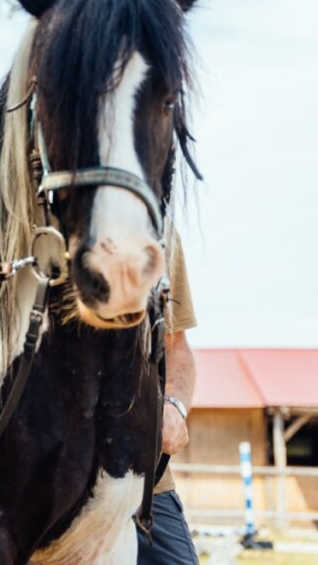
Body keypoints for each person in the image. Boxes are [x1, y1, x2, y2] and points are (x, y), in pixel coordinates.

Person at [137, 234, 201, 564]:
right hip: (53, 483)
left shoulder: (162, 231)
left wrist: (175, 406)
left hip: (144, 480)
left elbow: (178, 347)